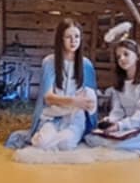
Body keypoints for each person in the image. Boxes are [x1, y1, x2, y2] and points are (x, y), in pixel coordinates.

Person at [9, 14, 97, 151]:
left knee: (66, 144)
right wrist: (74, 101)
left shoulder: (86, 65)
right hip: (52, 116)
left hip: (74, 119)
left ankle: (60, 140)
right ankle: (45, 140)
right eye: (68, 37)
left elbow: (90, 100)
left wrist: (86, 105)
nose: (73, 41)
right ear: (60, 39)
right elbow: (48, 98)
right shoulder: (49, 62)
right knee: (41, 142)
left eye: (77, 37)